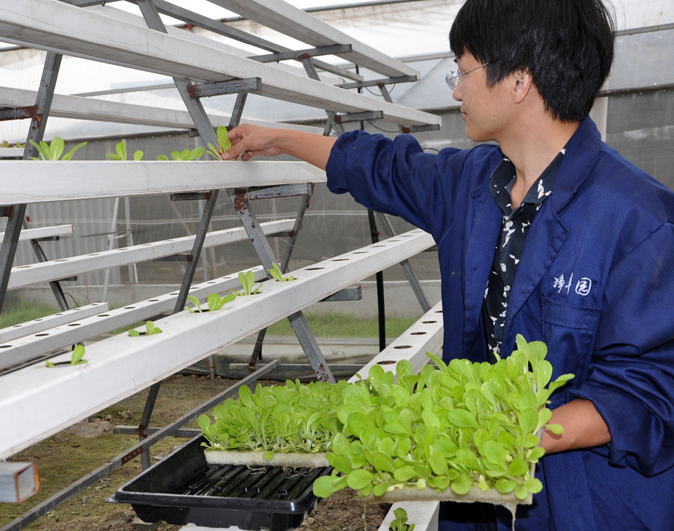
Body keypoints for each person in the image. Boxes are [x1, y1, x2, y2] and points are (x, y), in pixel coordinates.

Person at [221, 0, 674, 529]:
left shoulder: (640, 221)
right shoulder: (473, 183)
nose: (456, 89)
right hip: (475, 499)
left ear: (519, 79)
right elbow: (382, 166)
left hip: (585, 501)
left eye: (464, 69)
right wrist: (276, 138)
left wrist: (503, 436)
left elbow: (648, 388)